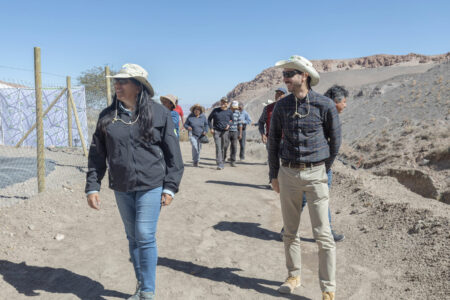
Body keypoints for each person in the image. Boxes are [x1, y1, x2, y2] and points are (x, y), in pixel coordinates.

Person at [85, 63, 184, 300]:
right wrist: (92, 186)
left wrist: (170, 186)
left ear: (138, 87)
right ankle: (140, 284)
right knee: (132, 237)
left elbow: (174, 154)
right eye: (116, 81)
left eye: (123, 81)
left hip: (151, 184)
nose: (117, 85)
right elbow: (97, 154)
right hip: (121, 186)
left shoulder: (159, 113)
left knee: (144, 233)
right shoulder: (107, 116)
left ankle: (148, 292)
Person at [268, 55, 341, 300]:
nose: (285, 78)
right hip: (287, 173)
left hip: (316, 173)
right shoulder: (282, 106)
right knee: (290, 231)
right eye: (284, 74)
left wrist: (322, 168)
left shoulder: (325, 105)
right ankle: (293, 276)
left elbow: (336, 141)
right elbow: (273, 142)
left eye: (290, 74)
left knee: (323, 234)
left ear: (305, 76)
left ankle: (328, 288)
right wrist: (274, 174)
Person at [299, 84, 349, 242]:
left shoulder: (317, 111)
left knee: (315, 199)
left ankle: (290, 228)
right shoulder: (324, 114)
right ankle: (323, 233)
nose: (345, 105)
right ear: (336, 101)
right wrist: (325, 167)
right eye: (344, 102)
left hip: (317, 165)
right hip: (318, 166)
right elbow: (333, 144)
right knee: (313, 199)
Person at [208, 97, 233, 170]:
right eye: (222, 102)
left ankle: (223, 159)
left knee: (224, 147)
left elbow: (232, 121)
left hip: (225, 132)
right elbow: (209, 120)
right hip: (216, 131)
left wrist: (229, 125)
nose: (223, 103)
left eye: (225, 102)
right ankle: (220, 163)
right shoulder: (215, 110)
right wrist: (211, 128)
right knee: (218, 147)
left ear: (227, 104)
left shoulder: (229, 111)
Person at [223, 100, 242, 167]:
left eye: (236, 107)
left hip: (235, 132)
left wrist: (240, 134)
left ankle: (233, 161)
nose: (235, 109)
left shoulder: (238, 112)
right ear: (231, 106)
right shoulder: (226, 111)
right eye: (233, 107)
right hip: (226, 132)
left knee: (234, 146)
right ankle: (223, 159)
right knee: (225, 146)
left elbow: (240, 123)